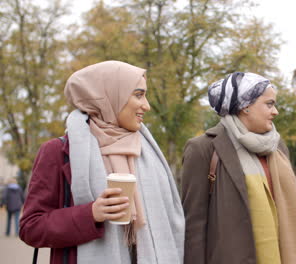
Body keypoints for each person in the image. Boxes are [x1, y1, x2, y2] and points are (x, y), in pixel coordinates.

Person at [20, 61, 185, 264]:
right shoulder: (59, 151)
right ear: (110, 96)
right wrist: (90, 214)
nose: (147, 105)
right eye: (138, 94)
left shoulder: (148, 150)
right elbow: (31, 228)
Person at [181, 72, 296, 264]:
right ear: (245, 106)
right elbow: (193, 226)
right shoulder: (203, 149)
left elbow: (293, 218)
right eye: (269, 104)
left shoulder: (278, 147)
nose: (275, 111)